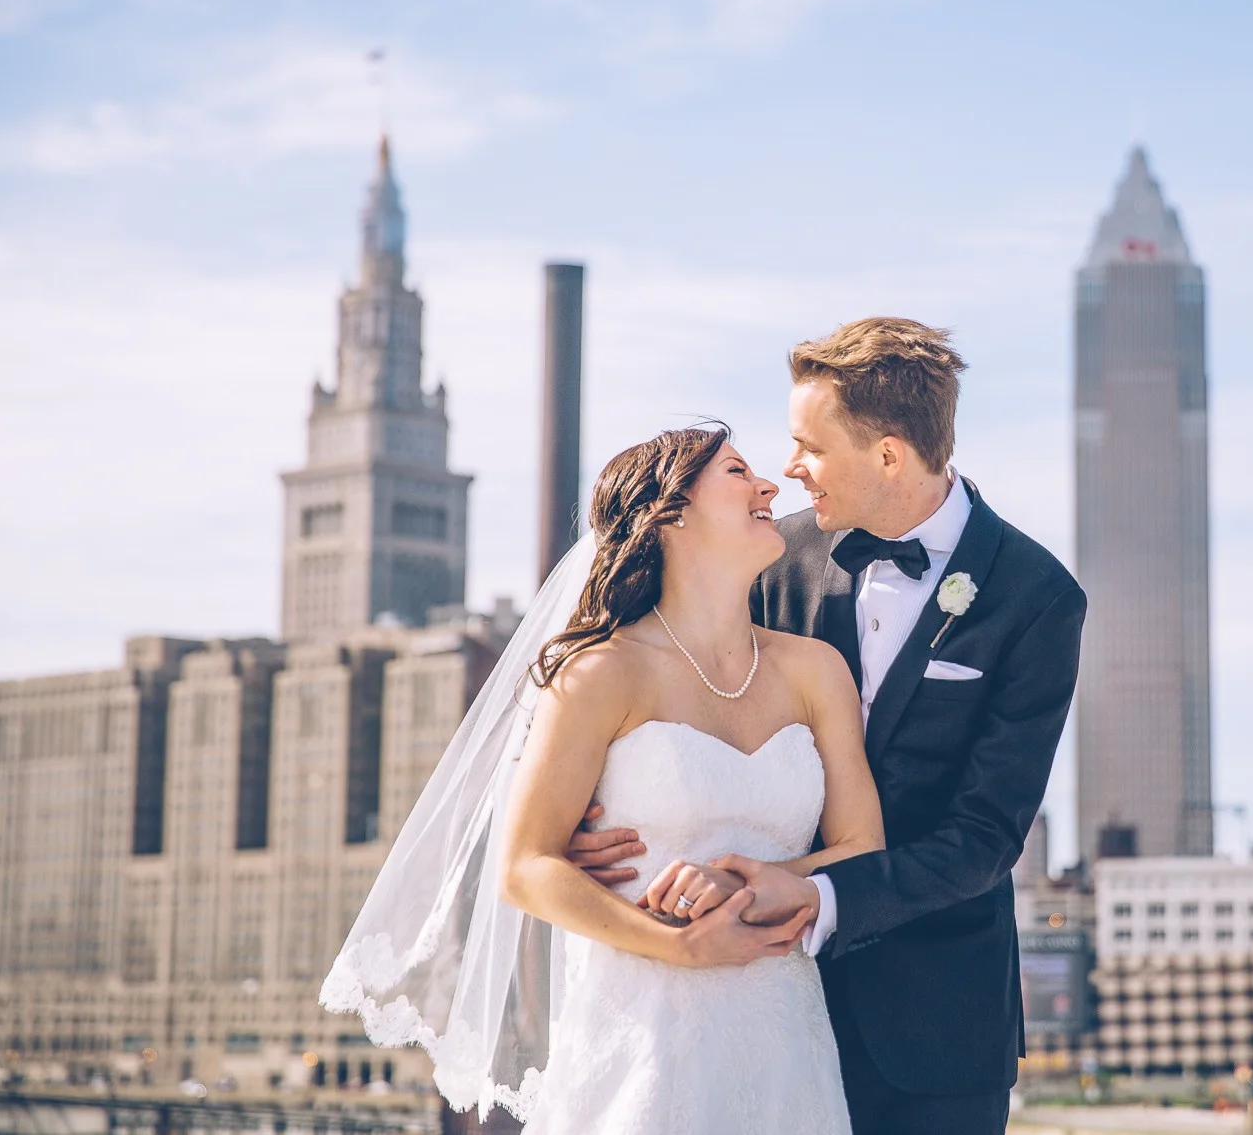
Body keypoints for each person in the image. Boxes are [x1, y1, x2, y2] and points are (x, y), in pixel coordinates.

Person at [569, 318, 1087, 1134]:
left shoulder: (1037, 596)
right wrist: (596, 826)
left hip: (936, 1030)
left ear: (888, 454)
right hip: (748, 1000)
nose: (788, 466)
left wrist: (819, 892)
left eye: (808, 442)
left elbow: (986, 834)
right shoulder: (771, 555)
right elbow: (671, 690)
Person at [323, 425, 879, 1134]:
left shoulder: (814, 669)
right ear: (670, 512)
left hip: (785, 1038)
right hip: (640, 1036)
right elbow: (525, 866)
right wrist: (679, 945)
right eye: (739, 472)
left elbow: (864, 845)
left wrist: (761, 882)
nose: (770, 486)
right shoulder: (600, 672)